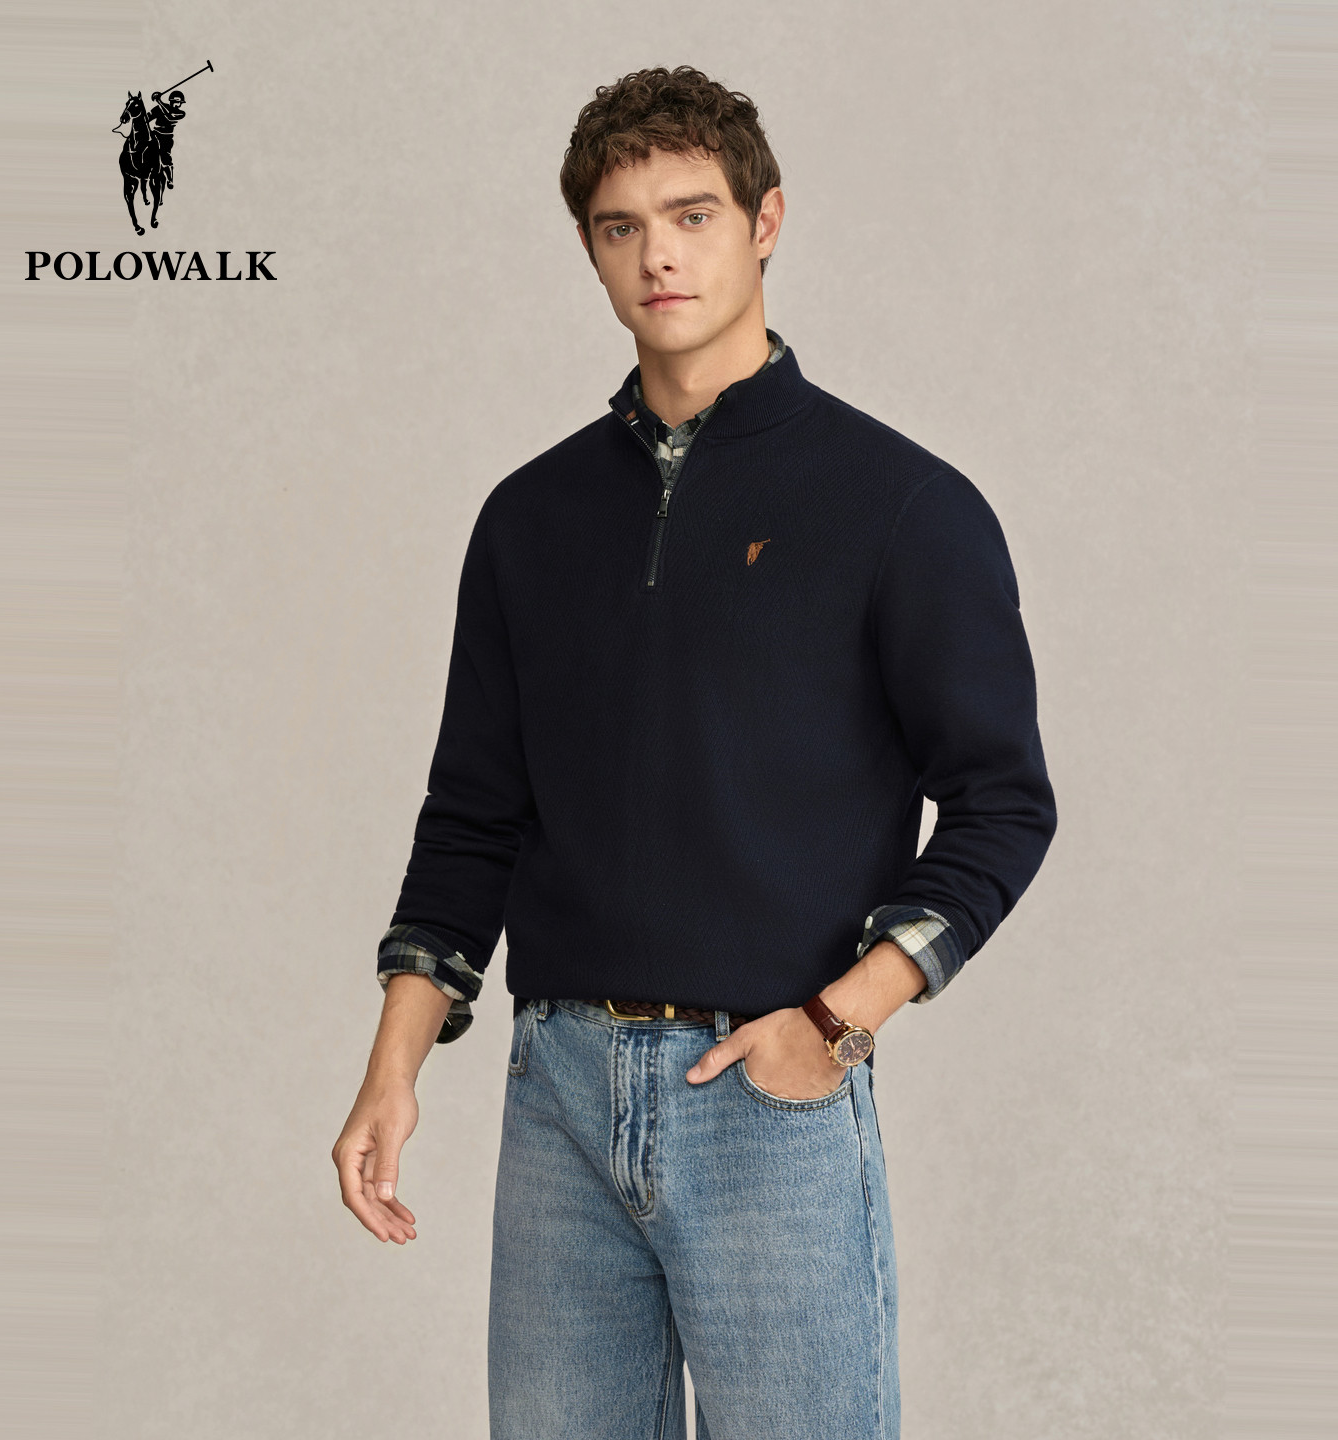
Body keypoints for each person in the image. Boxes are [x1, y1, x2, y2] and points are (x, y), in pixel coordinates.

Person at [331, 64, 1057, 1440]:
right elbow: (472, 811)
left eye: (692, 214)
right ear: (590, 249)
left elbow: (1003, 805)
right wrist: (392, 1070)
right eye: (621, 226)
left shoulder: (902, 503)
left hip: (766, 1095)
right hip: (559, 1094)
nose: (658, 254)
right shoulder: (530, 518)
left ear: (765, 221)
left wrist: (838, 1022)